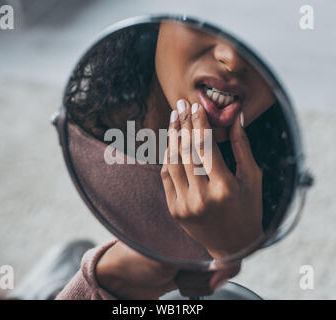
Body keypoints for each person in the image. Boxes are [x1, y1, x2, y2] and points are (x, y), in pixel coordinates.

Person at [57, 20, 295, 299]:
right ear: (160, 20)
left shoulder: (281, 175)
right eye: (204, 18)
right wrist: (108, 277)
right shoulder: (87, 140)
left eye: (266, 35)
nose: (231, 59)